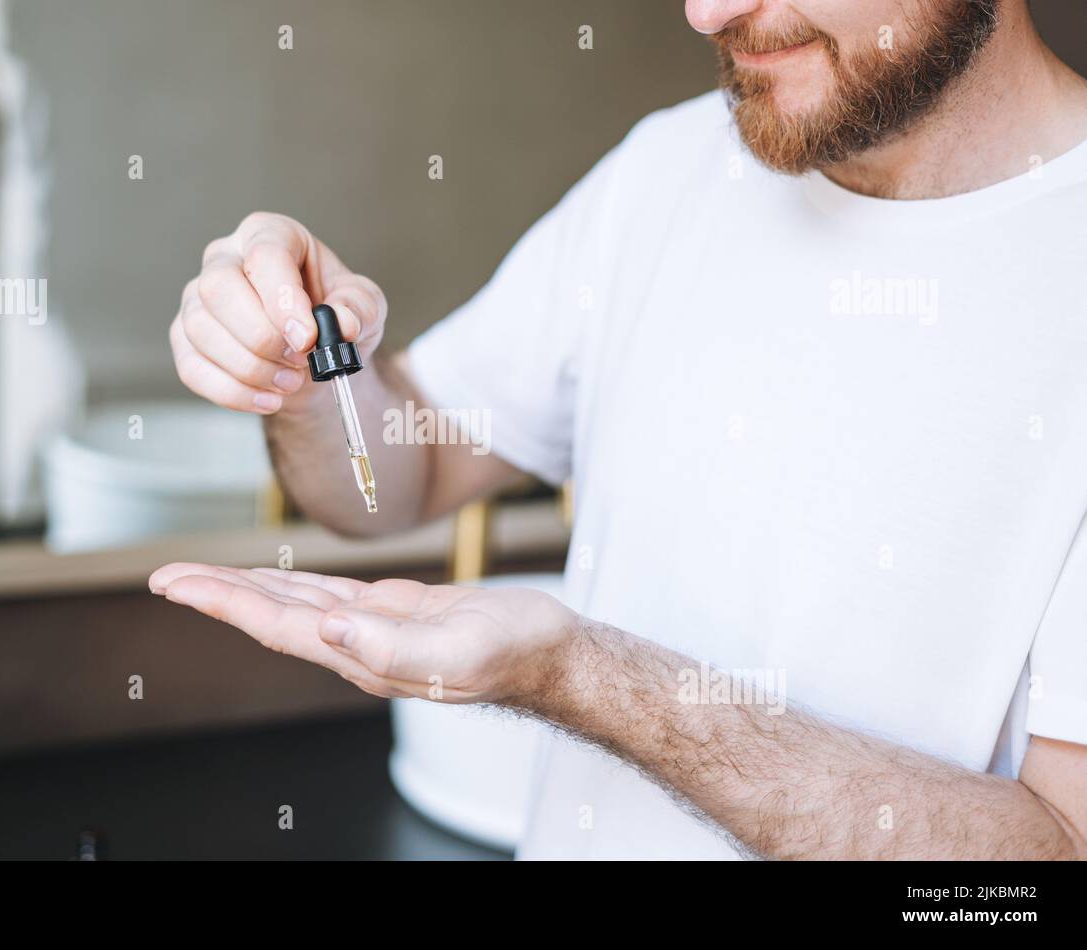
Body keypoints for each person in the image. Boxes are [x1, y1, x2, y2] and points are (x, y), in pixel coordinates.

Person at [154, 0, 1087, 859]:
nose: (706, 11)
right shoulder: (671, 167)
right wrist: (305, 376)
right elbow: (403, 475)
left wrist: (580, 678)